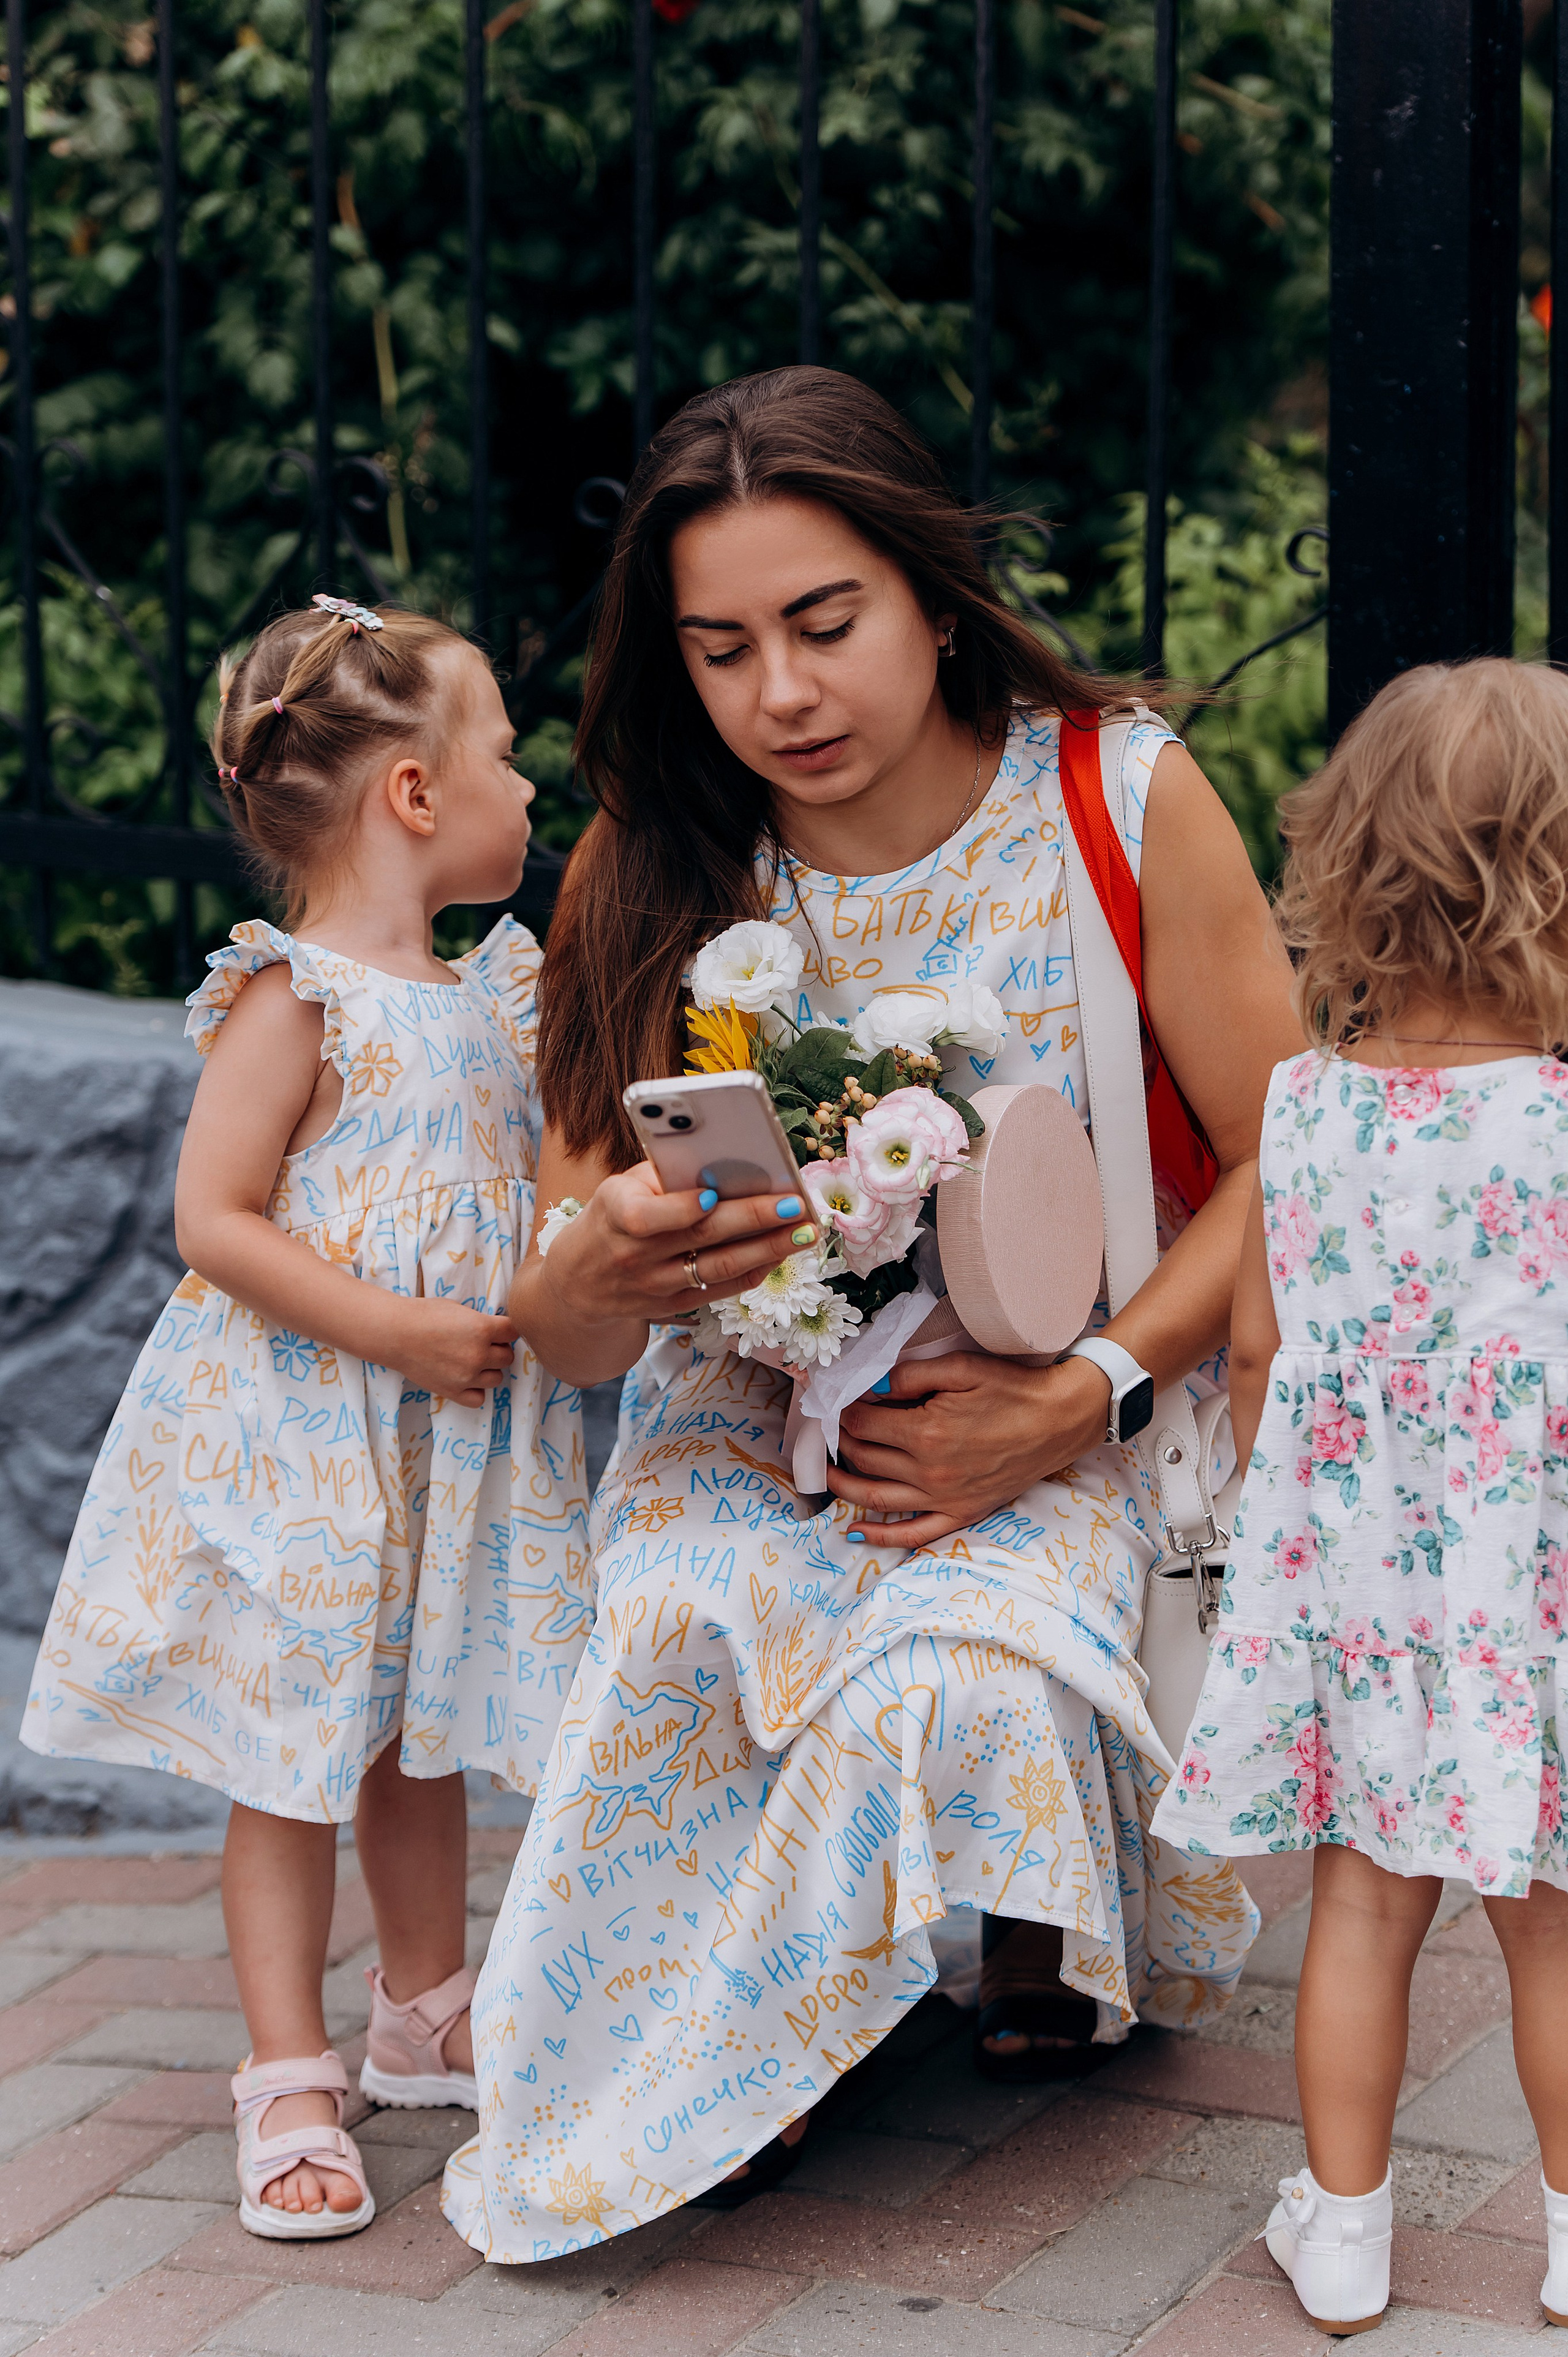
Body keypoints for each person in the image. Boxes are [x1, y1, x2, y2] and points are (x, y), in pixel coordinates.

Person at [440, 366, 1303, 2264]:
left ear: (927, 590)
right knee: (681, 1626)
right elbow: (574, 1333)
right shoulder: (652, 859)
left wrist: (1077, 1393)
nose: (783, 696)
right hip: (741, 1423)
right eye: (724, 647)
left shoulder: (1111, 795)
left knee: (952, 1679)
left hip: (1067, 1405)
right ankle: (692, 2075)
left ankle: (1022, 1920)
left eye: (825, 625)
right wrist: (590, 1272)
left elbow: (1281, 1155)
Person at [24, 596, 590, 2239]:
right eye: (500, 752)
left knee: (414, 1732)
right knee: (290, 1763)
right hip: (304, 1446)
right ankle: (286, 2068)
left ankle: (424, 2006)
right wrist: (401, 1329)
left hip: (437, 1450)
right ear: (413, 793)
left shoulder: (499, 996)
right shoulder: (295, 997)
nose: (527, 787)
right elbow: (218, 1220)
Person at [1152, 657, 1568, 2335]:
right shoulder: (1557, 1124)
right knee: (1551, 1929)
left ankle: (1342, 2233)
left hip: (1366, 1589)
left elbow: (1256, 1352)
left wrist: (1291, 1518)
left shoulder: (1305, 1109)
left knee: (1358, 1912)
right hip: (1535, 1586)